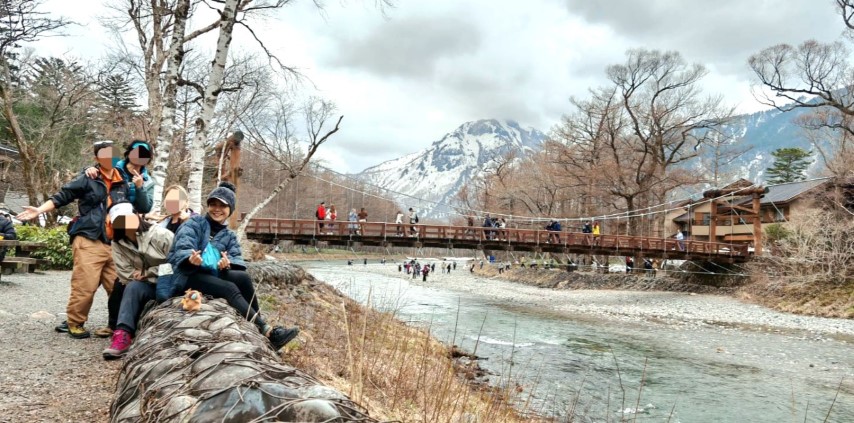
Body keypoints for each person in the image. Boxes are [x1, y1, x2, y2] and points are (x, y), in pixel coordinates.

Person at [18, 140, 149, 339]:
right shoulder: (88, 178)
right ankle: (75, 322)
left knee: (120, 285)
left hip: (115, 242)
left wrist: (139, 190)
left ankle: (120, 325)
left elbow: (140, 205)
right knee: (85, 285)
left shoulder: (123, 179)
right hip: (89, 238)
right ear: (97, 159)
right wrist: (39, 210)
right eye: (103, 155)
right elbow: (62, 196)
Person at [163, 182, 299, 351]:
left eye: (223, 205)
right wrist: (190, 260)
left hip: (211, 275)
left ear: (230, 209)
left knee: (242, 277)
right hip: (187, 275)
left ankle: (260, 325)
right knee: (229, 288)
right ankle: (268, 332)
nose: (217, 209)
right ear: (208, 206)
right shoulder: (193, 224)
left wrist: (226, 265)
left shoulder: (229, 235)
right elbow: (182, 248)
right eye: (213, 204)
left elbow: (236, 260)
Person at [102, 202, 174, 359]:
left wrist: (149, 273)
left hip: (170, 283)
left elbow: (176, 265)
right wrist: (146, 277)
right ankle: (123, 335)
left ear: (136, 216)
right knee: (132, 287)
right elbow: (125, 274)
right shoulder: (118, 244)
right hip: (144, 287)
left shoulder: (162, 235)